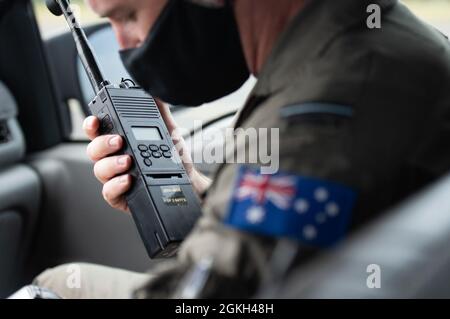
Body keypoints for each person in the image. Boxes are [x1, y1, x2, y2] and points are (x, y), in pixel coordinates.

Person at [35, 0, 450, 298]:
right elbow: (284, 247)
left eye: (128, 16)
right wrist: (194, 189)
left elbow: (208, 299)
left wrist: (60, 286)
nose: (128, 47)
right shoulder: (387, 39)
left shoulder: (317, 114)